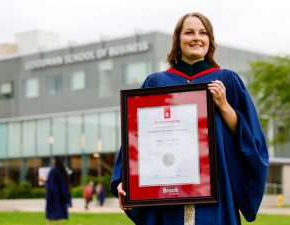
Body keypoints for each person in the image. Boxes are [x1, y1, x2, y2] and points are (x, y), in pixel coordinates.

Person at [110, 12, 269, 225]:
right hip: (167, 193)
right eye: (189, 32)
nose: (197, 37)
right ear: (178, 39)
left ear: (210, 40)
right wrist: (125, 180)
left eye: (203, 33)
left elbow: (251, 138)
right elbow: (137, 137)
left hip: (216, 192)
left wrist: (223, 105)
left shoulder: (227, 80)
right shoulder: (157, 83)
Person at [46, 156, 72, 225]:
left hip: (53, 195)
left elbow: (50, 183)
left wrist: (43, 180)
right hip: (61, 196)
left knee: (49, 213)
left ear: (55, 161)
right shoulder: (63, 171)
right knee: (59, 214)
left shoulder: (53, 171)